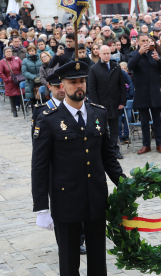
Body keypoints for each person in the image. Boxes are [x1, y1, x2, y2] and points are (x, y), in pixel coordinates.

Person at [31, 61, 125, 276]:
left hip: (95, 196)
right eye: (73, 82)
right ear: (62, 86)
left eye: (81, 81)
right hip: (66, 200)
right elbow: (39, 166)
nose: (78, 85)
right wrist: (41, 207)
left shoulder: (98, 113)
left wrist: (125, 184)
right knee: (69, 261)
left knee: (98, 259)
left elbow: (108, 157)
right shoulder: (48, 120)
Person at [127, 33, 161, 154]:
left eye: (147, 40)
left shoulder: (154, 54)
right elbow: (130, 66)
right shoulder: (133, 54)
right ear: (138, 42)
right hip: (141, 92)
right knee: (144, 121)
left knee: (157, 120)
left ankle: (159, 144)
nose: (146, 42)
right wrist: (139, 53)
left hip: (155, 91)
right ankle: (146, 145)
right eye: (143, 40)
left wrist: (158, 60)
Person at [88, 45, 126, 159]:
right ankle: (103, 150)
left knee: (115, 129)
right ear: (99, 54)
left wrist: (122, 101)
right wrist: (96, 105)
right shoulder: (94, 69)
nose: (106, 55)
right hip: (101, 104)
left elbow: (121, 86)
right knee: (102, 129)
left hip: (114, 103)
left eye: (108, 53)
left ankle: (115, 149)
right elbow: (92, 89)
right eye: (104, 53)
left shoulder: (116, 67)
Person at [0, 46, 23, 117]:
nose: (9, 53)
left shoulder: (17, 59)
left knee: (21, 95)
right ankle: (14, 111)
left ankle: (24, 110)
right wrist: (6, 79)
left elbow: (22, 67)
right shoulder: (2, 62)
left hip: (18, 80)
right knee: (12, 97)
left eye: (10, 51)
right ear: (4, 53)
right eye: (7, 52)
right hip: (9, 81)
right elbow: (0, 72)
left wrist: (22, 77)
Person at [22, 44, 42, 112]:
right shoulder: (25, 60)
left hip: (40, 81)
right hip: (30, 82)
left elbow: (43, 69)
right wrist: (33, 77)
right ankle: (34, 116)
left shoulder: (40, 58)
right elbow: (24, 72)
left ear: (35, 51)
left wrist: (40, 77)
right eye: (29, 51)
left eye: (33, 50)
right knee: (33, 100)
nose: (31, 52)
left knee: (40, 99)